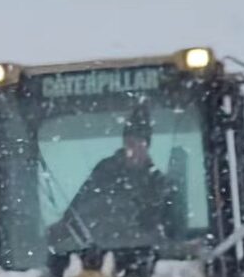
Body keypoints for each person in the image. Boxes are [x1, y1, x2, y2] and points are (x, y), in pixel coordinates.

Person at [47, 103, 178, 253]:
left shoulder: (158, 183)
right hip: (97, 257)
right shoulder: (104, 172)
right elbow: (77, 212)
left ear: (147, 145)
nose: (133, 150)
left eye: (139, 144)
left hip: (142, 257)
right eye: (129, 143)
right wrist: (57, 234)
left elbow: (168, 232)